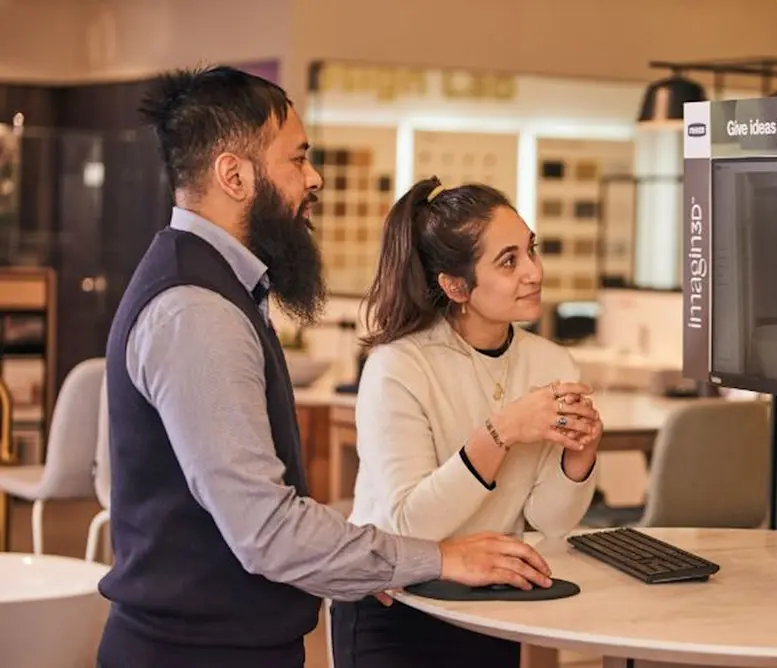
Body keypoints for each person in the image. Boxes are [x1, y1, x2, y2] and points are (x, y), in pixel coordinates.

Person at [96, 66, 553, 668]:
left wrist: (359, 552)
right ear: (234, 174)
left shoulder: (206, 289)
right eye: (297, 159)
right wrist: (434, 558)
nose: (313, 179)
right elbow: (267, 531)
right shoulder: (197, 312)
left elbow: (115, 475)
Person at [331, 177, 603, 668]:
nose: (534, 272)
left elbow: (551, 520)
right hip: (395, 608)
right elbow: (408, 525)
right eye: (509, 260)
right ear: (455, 286)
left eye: (530, 251)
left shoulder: (552, 363)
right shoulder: (400, 366)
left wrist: (579, 456)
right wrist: (503, 432)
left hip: (492, 607)